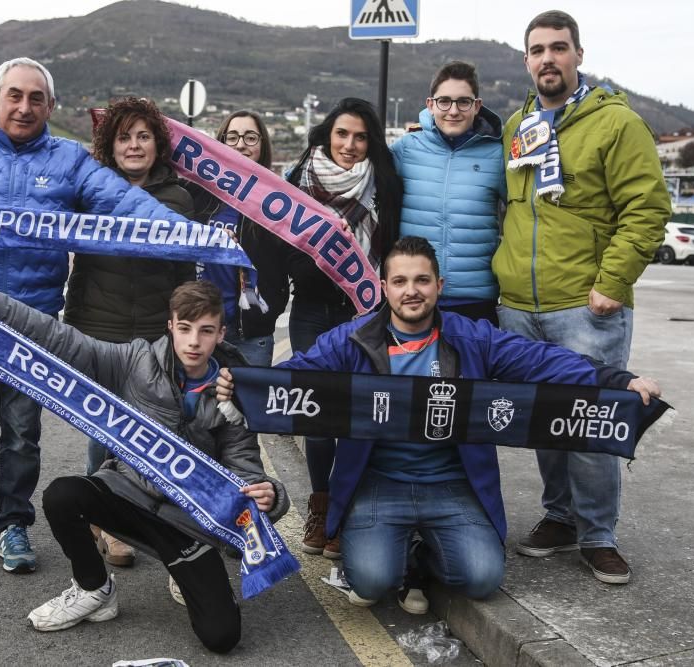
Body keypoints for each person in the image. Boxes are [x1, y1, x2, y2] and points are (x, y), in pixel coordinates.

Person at [217, 236, 660, 612]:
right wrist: (242, 387)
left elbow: (542, 361)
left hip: (452, 482)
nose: (413, 291)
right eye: (401, 281)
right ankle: (400, 554)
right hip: (379, 482)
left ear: (439, 286)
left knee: (483, 579)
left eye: (422, 280)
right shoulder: (352, 339)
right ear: (384, 288)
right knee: (370, 583)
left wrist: (614, 379)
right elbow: (296, 375)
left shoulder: (472, 336)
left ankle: (421, 554)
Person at [0, 58, 198, 576]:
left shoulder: (70, 162)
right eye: (14, 95)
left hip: (31, 323)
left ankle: (13, 525)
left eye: (36, 98)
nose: (24, 106)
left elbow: (127, 203)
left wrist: (194, 235)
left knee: (20, 434)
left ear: (50, 107)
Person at [0, 279, 288, 653]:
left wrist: (272, 495)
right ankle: (93, 589)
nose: (193, 342)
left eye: (205, 331)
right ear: (170, 326)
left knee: (222, 637)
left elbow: (246, 469)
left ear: (220, 333)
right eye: (184, 329)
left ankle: (181, 570)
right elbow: (62, 339)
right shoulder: (137, 361)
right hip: (127, 495)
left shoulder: (234, 392)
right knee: (62, 495)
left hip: (187, 525)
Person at [492, 11, 671, 584]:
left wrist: (611, 284)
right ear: (526, 60)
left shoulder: (616, 123)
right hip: (520, 305)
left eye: (559, 48)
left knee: (592, 421)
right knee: (547, 420)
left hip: (585, 305)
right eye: (537, 49)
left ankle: (598, 534)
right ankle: (559, 517)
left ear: (578, 55)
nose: (548, 58)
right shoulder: (518, 125)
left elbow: (647, 210)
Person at [62, 97, 195, 567]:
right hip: (99, 325)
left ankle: (135, 510)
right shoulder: (88, 191)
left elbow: (187, 273)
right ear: (109, 145)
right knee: (103, 426)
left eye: (144, 136)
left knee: (145, 430)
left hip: (156, 333)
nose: (134, 145)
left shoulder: (179, 198)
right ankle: (101, 519)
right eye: (124, 137)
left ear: (158, 144)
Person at [284, 97, 403, 559]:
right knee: (315, 414)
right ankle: (320, 503)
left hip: (365, 312)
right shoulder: (300, 178)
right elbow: (284, 243)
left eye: (360, 136)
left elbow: (390, 245)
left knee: (356, 414)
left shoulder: (385, 185)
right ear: (326, 135)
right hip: (311, 311)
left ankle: (344, 509)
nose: (350, 145)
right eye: (341, 134)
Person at [390, 61, 505, 324]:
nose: (453, 110)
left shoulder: (497, 155)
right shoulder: (405, 150)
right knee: (416, 368)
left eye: (463, 102)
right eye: (444, 101)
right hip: (414, 297)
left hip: (476, 301)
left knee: (471, 367)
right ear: (430, 105)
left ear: (477, 106)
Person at [186, 110, 289, 366]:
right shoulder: (199, 192)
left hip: (251, 334)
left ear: (262, 144)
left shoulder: (279, 200)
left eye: (250, 137)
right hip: (199, 326)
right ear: (220, 142)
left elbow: (296, 257)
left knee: (248, 406)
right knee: (196, 404)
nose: (241, 144)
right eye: (232, 137)